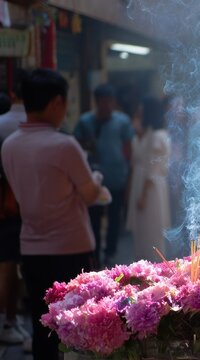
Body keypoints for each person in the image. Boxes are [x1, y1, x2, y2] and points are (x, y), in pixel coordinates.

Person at [1, 68, 103, 360]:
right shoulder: (64, 145)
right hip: (71, 248)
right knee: (79, 323)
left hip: (32, 248)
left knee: (42, 322)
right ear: (56, 103)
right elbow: (90, 194)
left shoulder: (9, 146)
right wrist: (95, 177)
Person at [74, 84, 134, 267]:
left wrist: (129, 177)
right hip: (93, 182)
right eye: (103, 102)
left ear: (114, 102)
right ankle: (95, 254)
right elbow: (78, 149)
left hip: (117, 178)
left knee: (115, 218)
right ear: (97, 102)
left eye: (110, 102)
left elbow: (128, 150)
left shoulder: (122, 121)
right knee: (93, 220)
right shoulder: (85, 122)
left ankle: (110, 253)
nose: (107, 106)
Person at [0, 71, 30, 347]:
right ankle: (10, 319)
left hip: (7, 206)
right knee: (15, 264)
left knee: (8, 263)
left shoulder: (3, 124)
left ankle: (11, 319)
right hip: (27, 206)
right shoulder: (34, 124)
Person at [127, 97, 171, 262]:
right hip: (143, 183)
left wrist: (144, 194)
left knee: (151, 230)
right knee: (142, 230)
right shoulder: (148, 134)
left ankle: (153, 265)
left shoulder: (157, 135)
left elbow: (154, 169)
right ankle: (143, 264)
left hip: (150, 187)